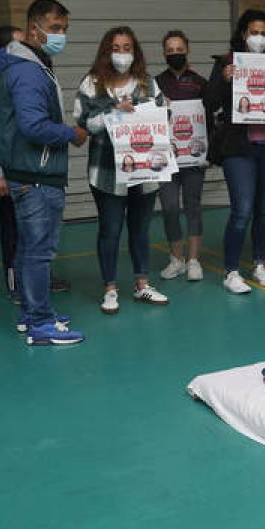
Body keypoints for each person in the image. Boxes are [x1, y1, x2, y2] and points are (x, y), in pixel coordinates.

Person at [0, 0, 88, 345]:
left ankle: (32, 313)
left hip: (30, 172)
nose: (61, 35)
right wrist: (72, 134)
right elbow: (33, 125)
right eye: (55, 29)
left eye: (65, 29)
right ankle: (40, 325)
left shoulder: (26, 65)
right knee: (39, 251)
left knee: (28, 248)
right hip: (35, 175)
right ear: (34, 29)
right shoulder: (28, 71)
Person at [74, 26, 170, 314]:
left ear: (135, 52)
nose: (122, 53)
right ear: (106, 51)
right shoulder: (92, 84)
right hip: (106, 173)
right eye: (116, 48)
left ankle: (142, 285)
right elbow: (82, 124)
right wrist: (112, 113)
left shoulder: (147, 84)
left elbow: (163, 115)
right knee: (110, 230)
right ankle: (111, 288)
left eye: (127, 48)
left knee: (140, 230)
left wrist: (161, 112)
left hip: (144, 172)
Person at [203, 8, 265, 294]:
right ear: (243, 34)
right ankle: (231, 270)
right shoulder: (226, 62)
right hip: (239, 147)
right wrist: (223, 79)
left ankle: (259, 263)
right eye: (253, 32)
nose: (258, 38)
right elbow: (209, 102)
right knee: (242, 210)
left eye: (264, 33)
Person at [156, 29, 210, 282]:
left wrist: (209, 151)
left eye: (179, 49)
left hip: (194, 158)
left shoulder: (200, 82)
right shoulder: (155, 84)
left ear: (187, 50)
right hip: (166, 159)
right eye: (170, 50)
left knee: (193, 207)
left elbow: (211, 118)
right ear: (164, 53)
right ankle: (176, 258)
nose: (175, 54)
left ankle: (194, 260)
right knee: (168, 207)